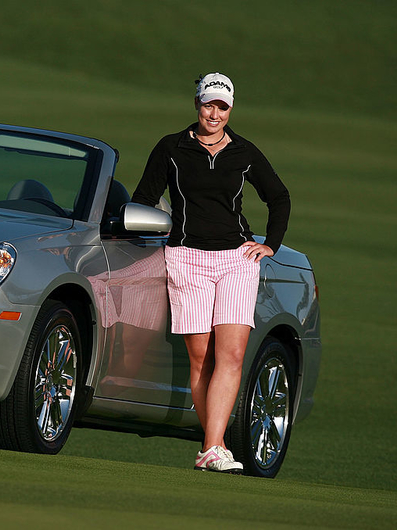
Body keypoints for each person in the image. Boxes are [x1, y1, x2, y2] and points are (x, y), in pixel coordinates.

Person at [130, 72, 290, 474]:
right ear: (197, 104)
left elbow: (278, 196)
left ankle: (212, 447)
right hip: (186, 259)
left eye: (222, 106)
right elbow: (143, 199)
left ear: (230, 108)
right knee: (201, 358)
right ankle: (214, 447)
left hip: (237, 261)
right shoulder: (171, 148)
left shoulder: (244, 152)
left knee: (231, 354)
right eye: (208, 104)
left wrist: (271, 242)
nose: (214, 113)